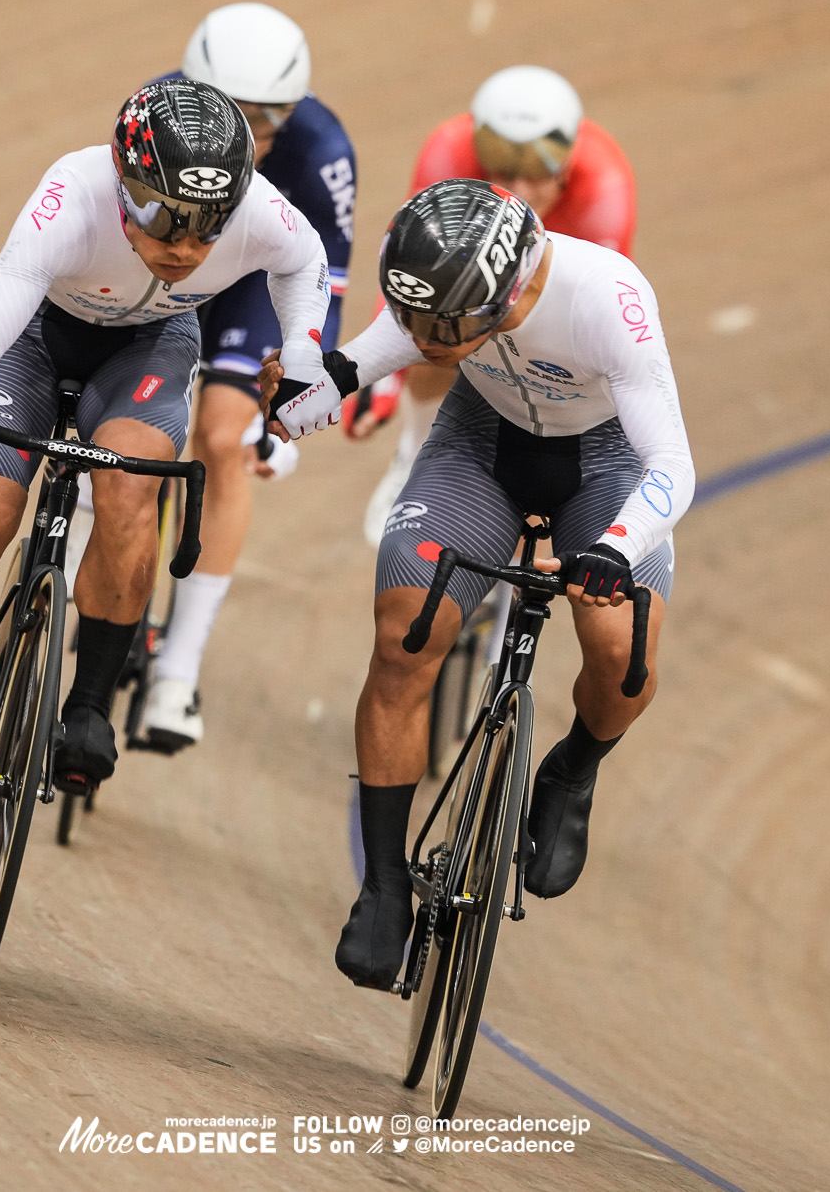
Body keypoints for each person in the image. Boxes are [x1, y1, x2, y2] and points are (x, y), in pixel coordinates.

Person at [0, 77, 331, 842]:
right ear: (122, 183)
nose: (183, 247)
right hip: (39, 341)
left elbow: (307, 260)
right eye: (161, 219)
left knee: (127, 486)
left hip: (152, 346)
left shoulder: (257, 210)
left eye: (206, 228)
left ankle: (88, 700)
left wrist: (304, 348)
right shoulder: (70, 197)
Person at [262, 180, 691, 988]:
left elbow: (672, 464)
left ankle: (572, 768)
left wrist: (613, 547)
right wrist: (287, 405)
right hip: (481, 446)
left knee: (622, 655)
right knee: (404, 635)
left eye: (437, 328)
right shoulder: (444, 292)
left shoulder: (609, 298)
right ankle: (386, 884)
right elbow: (348, 373)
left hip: (603, 468)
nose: (419, 338)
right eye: (412, 317)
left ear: (504, 294)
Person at [136, 2, 356, 749]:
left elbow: (326, 286)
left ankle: (177, 673)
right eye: (236, 115)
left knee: (221, 440)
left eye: (270, 120)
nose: (253, 137)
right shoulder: (158, 109)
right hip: (170, 264)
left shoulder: (323, 148)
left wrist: (288, 400)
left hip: (260, 289)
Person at [350, 66, 636, 545]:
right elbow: (413, 271)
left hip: (556, 293)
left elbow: (597, 310)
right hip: (468, 287)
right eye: (503, 171)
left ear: (566, 165)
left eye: (536, 173)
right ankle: (415, 456)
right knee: (437, 331)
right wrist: (383, 375)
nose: (520, 192)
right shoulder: (448, 152)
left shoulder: (603, 186)